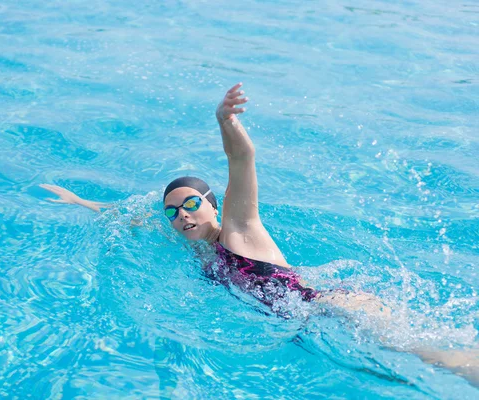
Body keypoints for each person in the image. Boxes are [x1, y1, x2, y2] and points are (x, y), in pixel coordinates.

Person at [41, 83, 478, 386]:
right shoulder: (189, 238)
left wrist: (226, 122)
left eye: (191, 204)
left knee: (429, 353)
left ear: (213, 204)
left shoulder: (238, 228)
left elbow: (242, 161)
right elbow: (133, 215)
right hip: (307, 321)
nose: (181, 216)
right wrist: (80, 203)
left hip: (335, 306)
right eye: (172, 212)